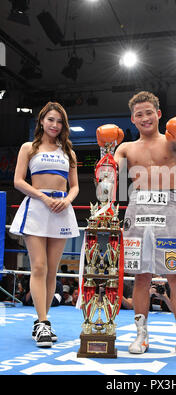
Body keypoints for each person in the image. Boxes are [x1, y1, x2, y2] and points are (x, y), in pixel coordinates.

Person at [113, 91, 176, 357]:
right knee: (141, 277)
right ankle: (141, 335)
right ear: (133, 119)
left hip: (168, 212)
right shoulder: (125, 148)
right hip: (137, 211)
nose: (145, 117)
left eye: (149, 112)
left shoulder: (174, 141)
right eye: (139, 114)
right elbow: (107, 175)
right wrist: (106, 151)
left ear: (159, 114)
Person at [10, 102, 79, 348]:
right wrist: (43, 197)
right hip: (38, 208)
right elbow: (18, 180)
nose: (55, 125)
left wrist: (68, 201)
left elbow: (75, 186)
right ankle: (42, 323)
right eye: (51, 120)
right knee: (38, 266)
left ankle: (43, 319)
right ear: (41, 121)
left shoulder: (68, 151)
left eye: (59, 121)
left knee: (51, 269)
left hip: (61, 210)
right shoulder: (29, 147)